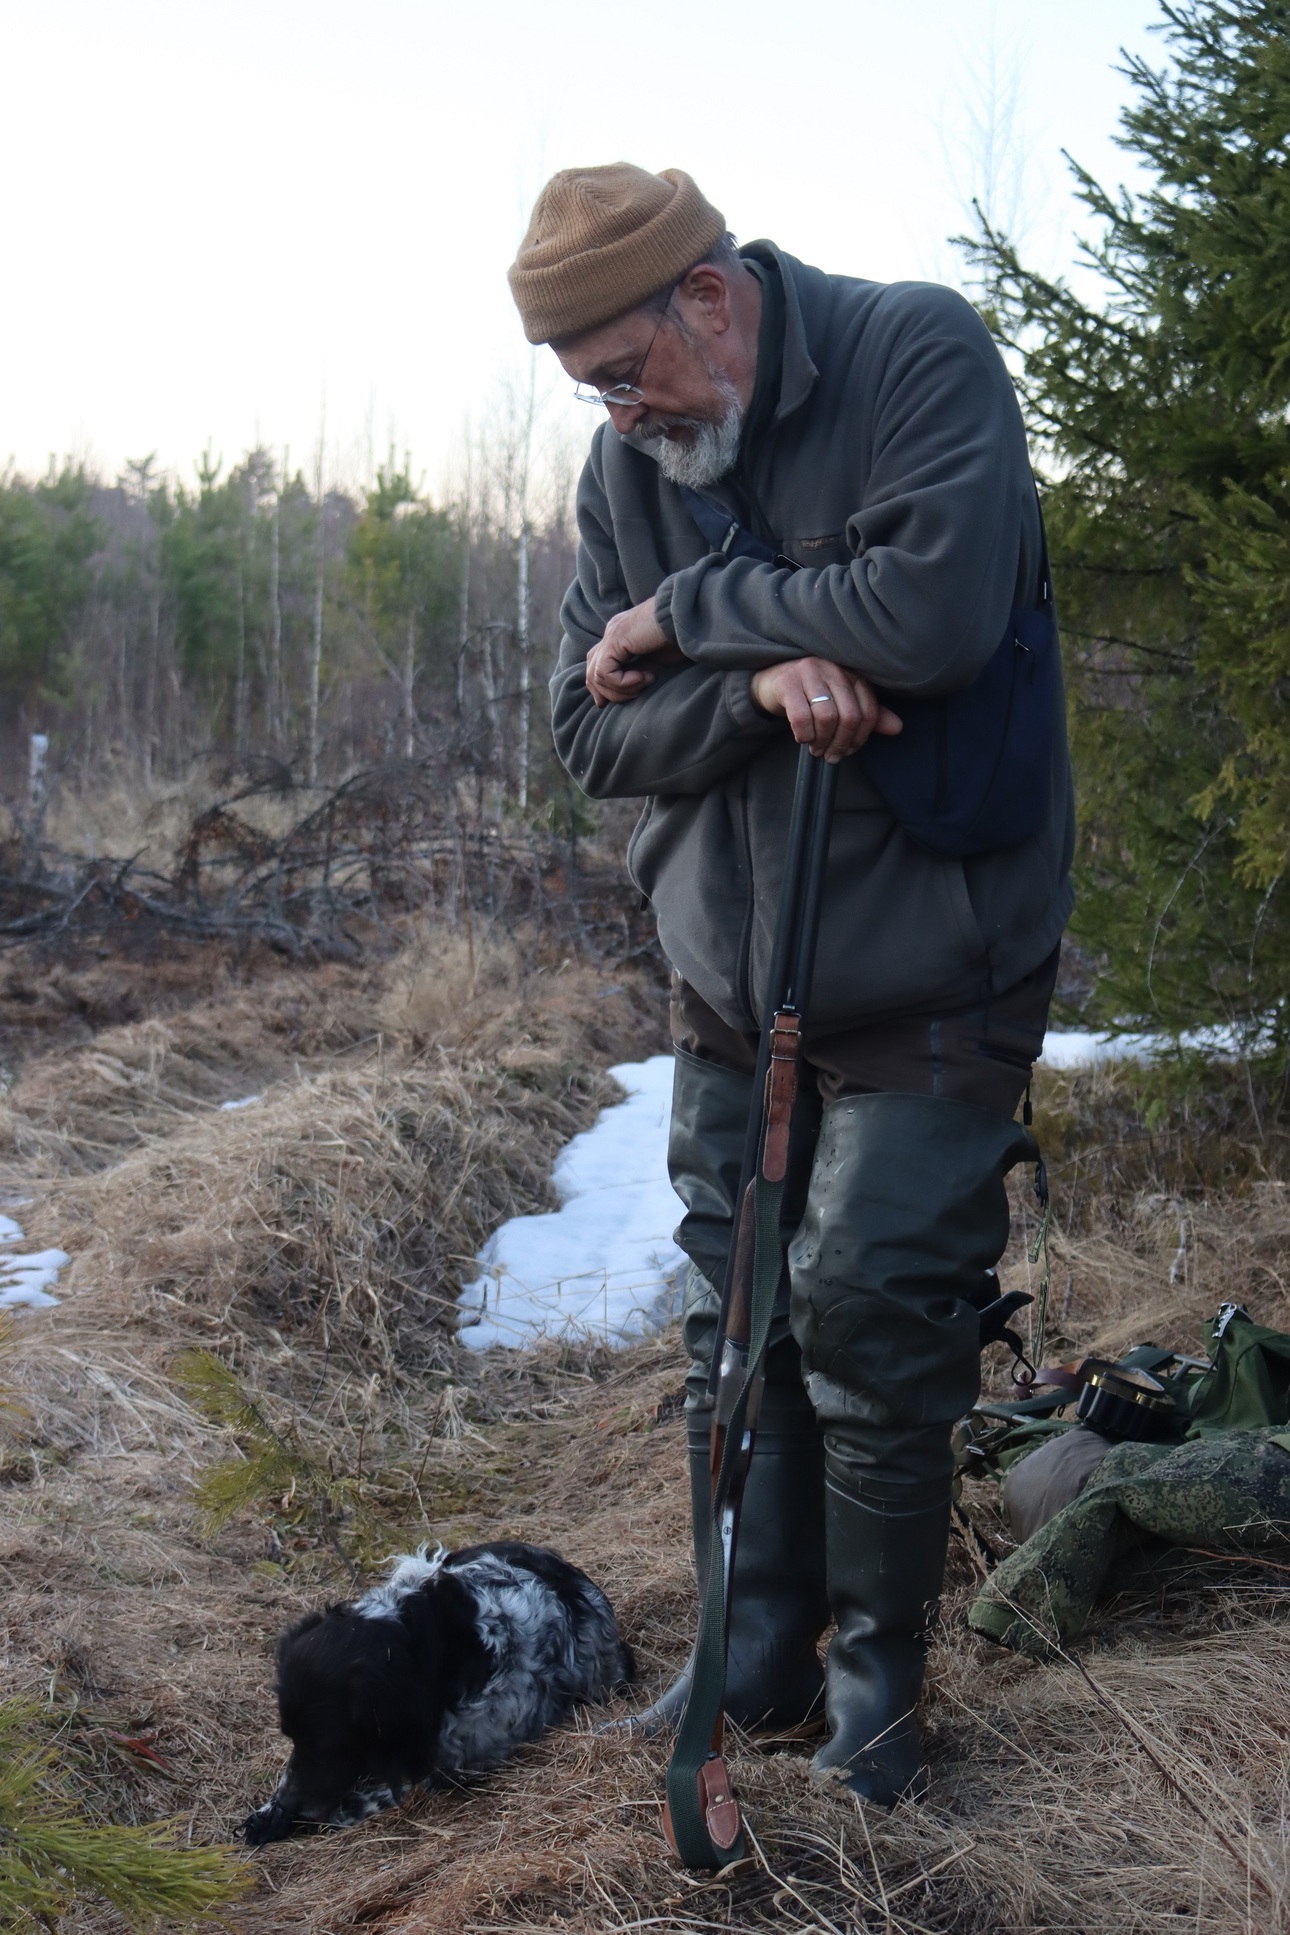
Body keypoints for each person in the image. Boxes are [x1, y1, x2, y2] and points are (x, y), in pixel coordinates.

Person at [507, 163, 1073, 1806]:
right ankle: (753, 1647)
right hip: (724, 981)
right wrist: (758, 689)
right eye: (586, 392)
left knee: (876, 1313)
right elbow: (588, 729)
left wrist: (687, 613)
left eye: (626, 372)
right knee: (738, 1322)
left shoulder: (914, 359)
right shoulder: (631, 463)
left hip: (935, 961)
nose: (617, 418)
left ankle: (877, 1685)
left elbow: (933, 611)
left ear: (708, 294)